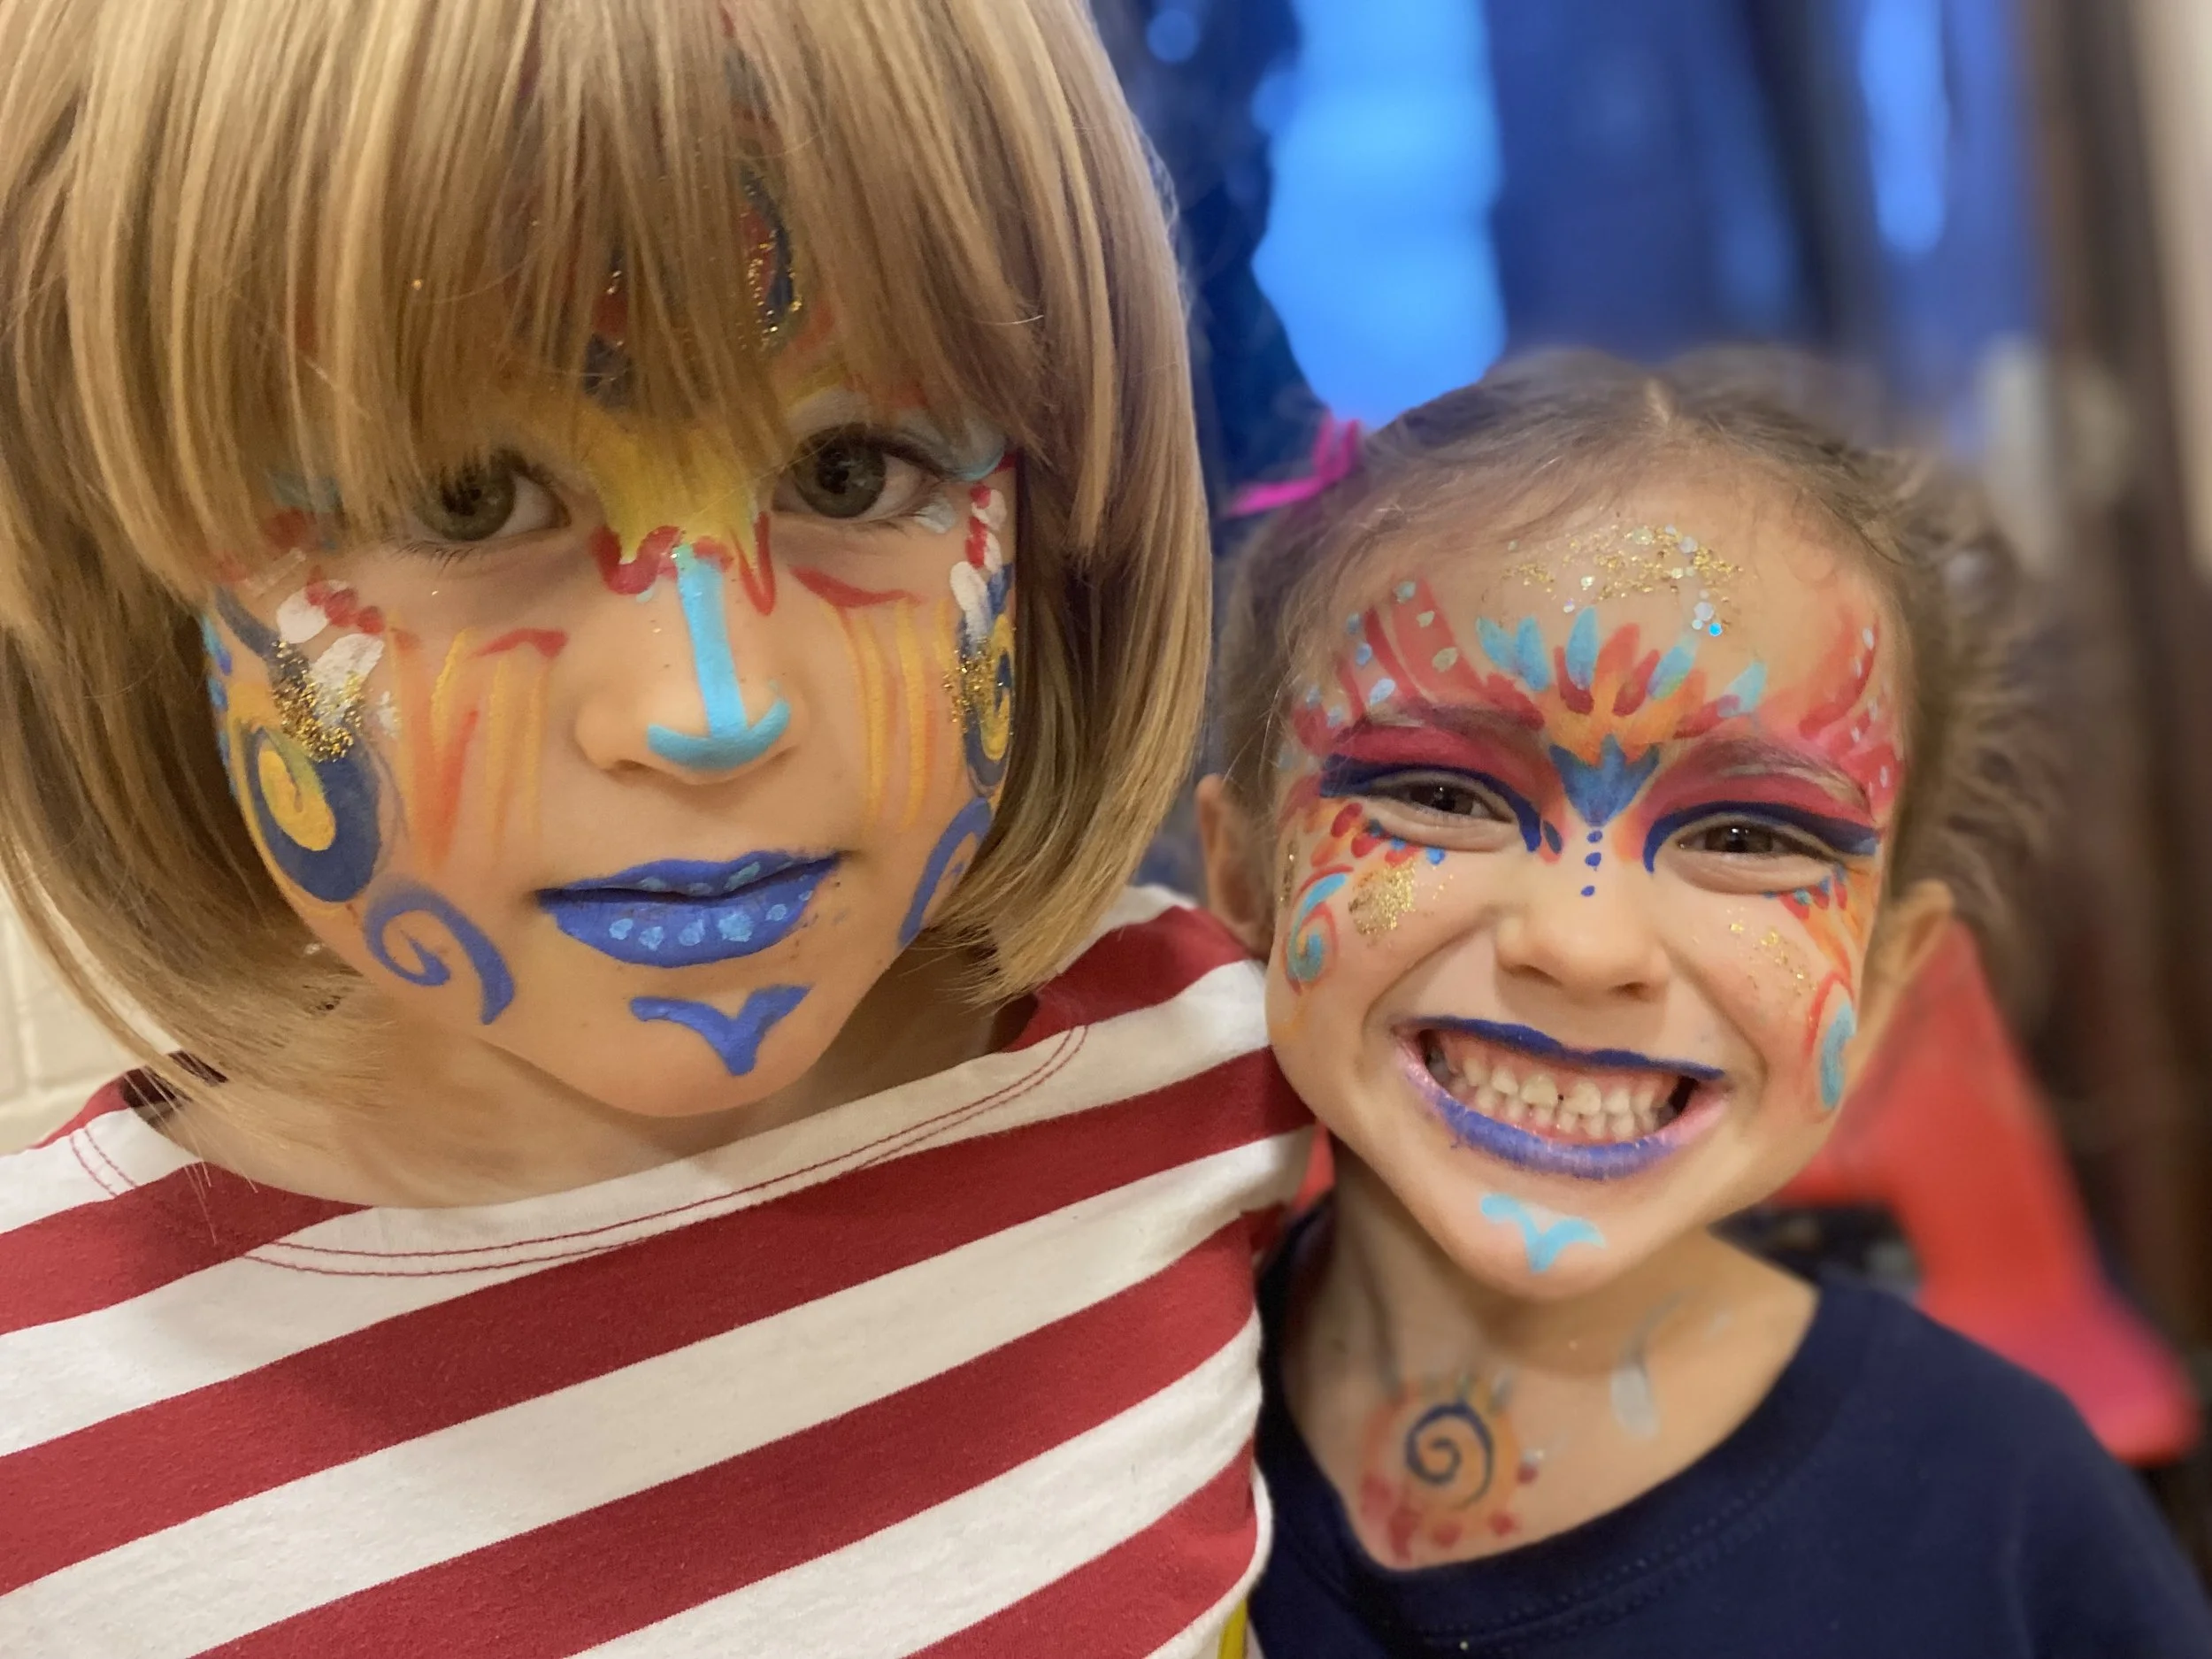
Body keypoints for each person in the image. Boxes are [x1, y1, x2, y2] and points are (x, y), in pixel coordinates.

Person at [0, 2, 1308, 1652]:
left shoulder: (1209, 1073)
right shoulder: (36, 1420)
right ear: (121, 560)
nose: (709, 709)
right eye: (465, 499)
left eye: (851, 471)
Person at [1195, 350, 2212, 1656]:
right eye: (1439, 795)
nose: (1583, 943)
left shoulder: (2012, 1519)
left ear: (1885, 977)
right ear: (1244, 877)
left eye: (1748, 833)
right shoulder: (1114, 1425)